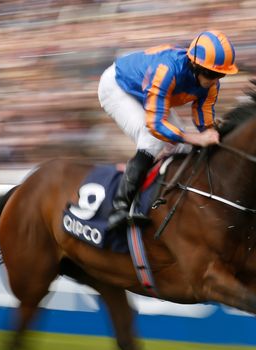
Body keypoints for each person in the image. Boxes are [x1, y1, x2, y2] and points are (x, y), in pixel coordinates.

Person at [98, 30, 239, 225]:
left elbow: (203, 114)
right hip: (118, 87)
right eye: (211, 73)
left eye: (220, 74)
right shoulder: (168, 70)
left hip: (148, 92)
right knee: (152, 139)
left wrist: (209, 132)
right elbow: (155, 125)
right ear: (194, 64)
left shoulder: (211, 82)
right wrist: (195, 138)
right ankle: (120, 207)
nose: (214, 80)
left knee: (184, 148)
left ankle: (166, 199)